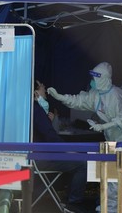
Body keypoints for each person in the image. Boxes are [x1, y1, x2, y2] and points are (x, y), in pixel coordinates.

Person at [47, 62, 122, 213]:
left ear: (105, 78)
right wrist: (60, 97)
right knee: (109, 175)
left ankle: (114, 207)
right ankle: (108, 206)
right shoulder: (96, 94)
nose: (93, 81)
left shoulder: (117, 96)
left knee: (118, 176)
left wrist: (103, 126)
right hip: (111, 140)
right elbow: (79, 101)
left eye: (97, 77)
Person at [33, 79, 88, 213]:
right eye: (42, 87)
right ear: (35, 93)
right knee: (84, 163)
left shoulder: (30, 109)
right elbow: (49, 136)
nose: (45, 90)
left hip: (34, 156)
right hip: (40, 158)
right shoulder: (36, 110)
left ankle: (67, 199)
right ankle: (73, 205)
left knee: (78, 160)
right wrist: (68, 150)